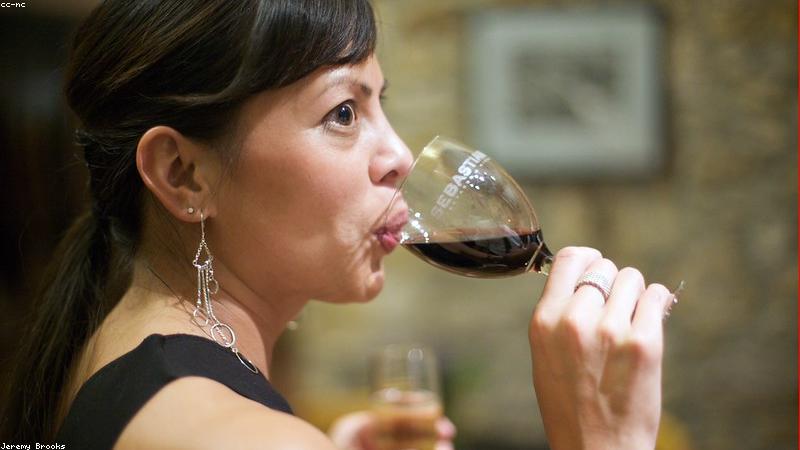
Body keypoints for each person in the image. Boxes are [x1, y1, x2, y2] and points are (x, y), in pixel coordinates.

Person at [0, 1, 676, 448]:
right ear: (183, 174)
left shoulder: (114, 355)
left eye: (380, 102)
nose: (401, 156)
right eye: (343, 114)